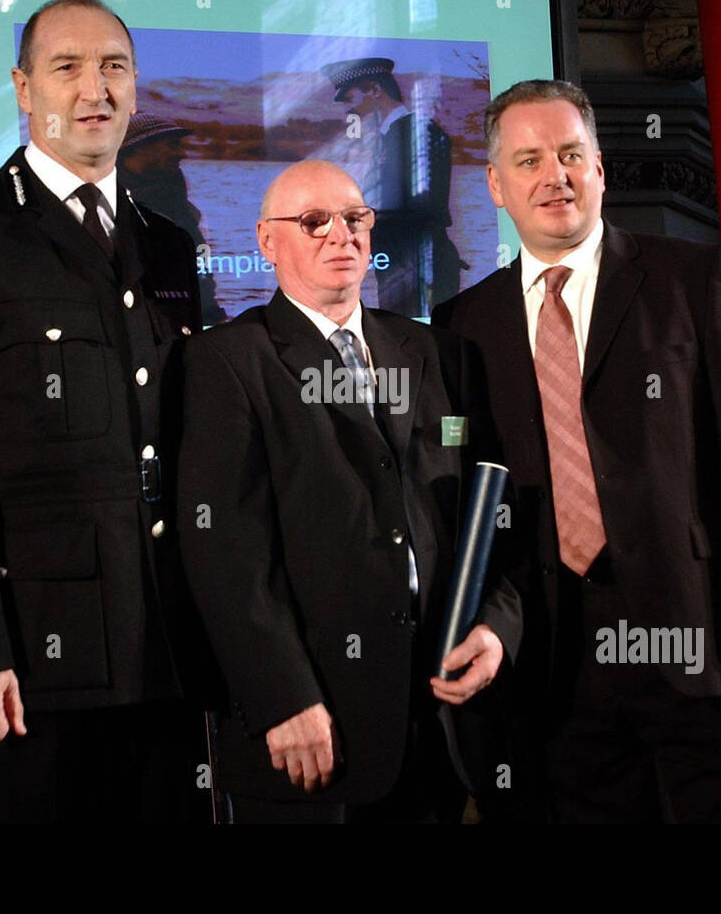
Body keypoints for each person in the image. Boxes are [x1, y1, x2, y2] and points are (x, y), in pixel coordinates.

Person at [433, 79, 721, 823]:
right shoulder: (462, 322)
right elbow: (472, 491)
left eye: (570, 154)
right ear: (495, 184)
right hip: (559, 662)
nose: (553, 175)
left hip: (700, 636)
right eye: (528, 160)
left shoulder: (692, 278)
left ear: (600, 168)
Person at [0, 0, 209, 823]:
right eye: (68, 68)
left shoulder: (169, 241)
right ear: (24, 89)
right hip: (23, 673)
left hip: (162, 660)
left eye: (115, 67)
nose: (95, 88)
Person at [177, 159, 521, 823]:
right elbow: (226, 556)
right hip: (312, 730)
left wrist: (499, 628)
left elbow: (495, 515)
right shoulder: (226, 361)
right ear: (267, 242)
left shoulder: (438, 353)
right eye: (313, 221)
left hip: (439, 721)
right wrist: (283, 698)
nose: (342, 234)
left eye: (355, 217)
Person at [321, 57, 465, 318]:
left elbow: (424, 208)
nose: (345, 107)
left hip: (419, 268)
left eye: (349, 96)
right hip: (401, 264)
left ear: (375, 90)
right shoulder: (392, 135)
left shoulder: (418, 133)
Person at [117, 111, 226, 325]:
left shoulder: (177, 202)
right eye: (172, 145)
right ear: (138, 147)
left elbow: (199, 266)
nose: (182, 154)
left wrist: (211, 318)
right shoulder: (102, 202)